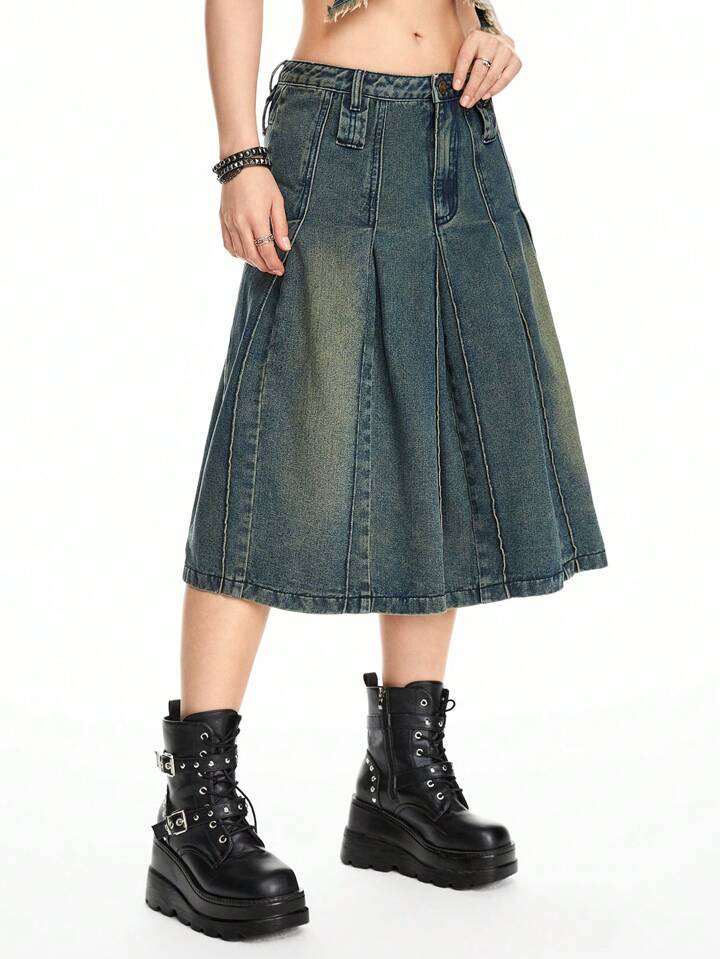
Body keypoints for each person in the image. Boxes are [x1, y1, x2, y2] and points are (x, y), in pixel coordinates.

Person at [145, 0, 607, 940]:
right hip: (336, 129)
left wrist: (488, 29)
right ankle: (193, 811)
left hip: (460, 131)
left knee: (442, 437)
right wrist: (239, 155)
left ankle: (403, 780)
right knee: (271, 449)